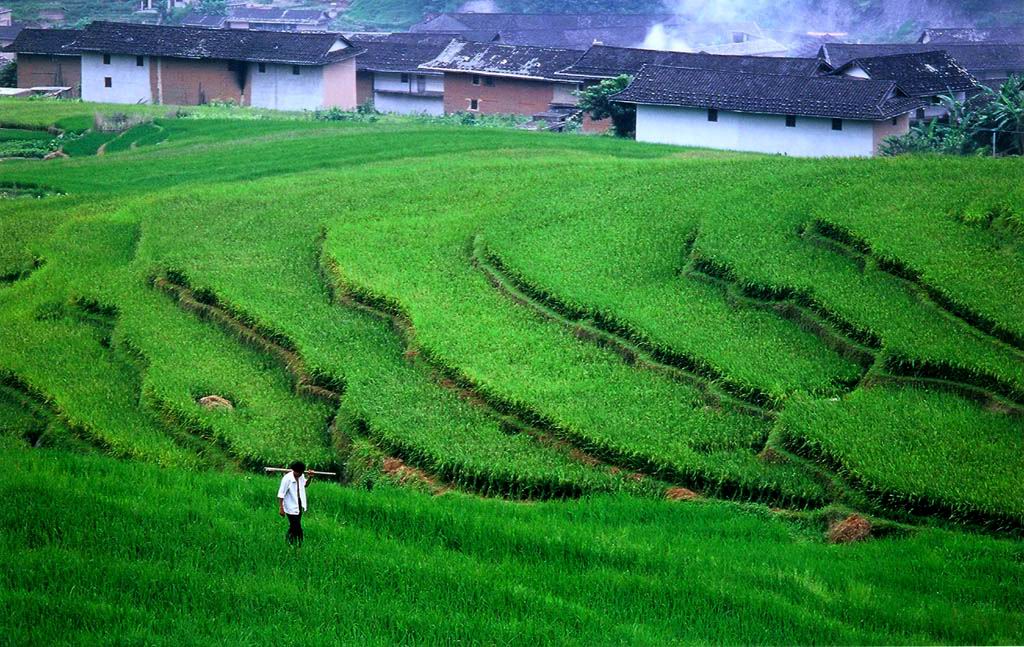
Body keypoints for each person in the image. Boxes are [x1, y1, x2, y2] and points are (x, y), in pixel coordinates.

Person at [278, 461, 313, 546]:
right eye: (297, 472)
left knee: (294, 526)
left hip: (299, 503)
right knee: (296, 527)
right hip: (290, 505)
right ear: (293, 470)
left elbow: (305, 485)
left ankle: (290, 542)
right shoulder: (287, 478)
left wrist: (310, 477)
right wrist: (281, 508)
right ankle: (298, 543)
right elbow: (281, 494)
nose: (299, 474)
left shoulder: (301, 476)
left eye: (301, 472)